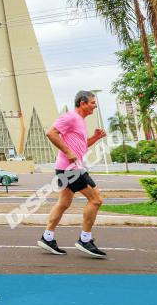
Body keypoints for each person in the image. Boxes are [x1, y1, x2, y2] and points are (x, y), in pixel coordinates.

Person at [37, 90, 108, 258]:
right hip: (70, 170)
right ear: (82, 103)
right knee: (96, 200)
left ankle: (47, 237)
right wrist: (68, 152)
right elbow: (51, 133)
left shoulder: (80, 121)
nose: (95, 105)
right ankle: (85, 240)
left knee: (64, 203)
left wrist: (95, 138)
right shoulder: (70, 117)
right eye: (92, 102)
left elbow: (82, 147)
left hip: (71, 168)